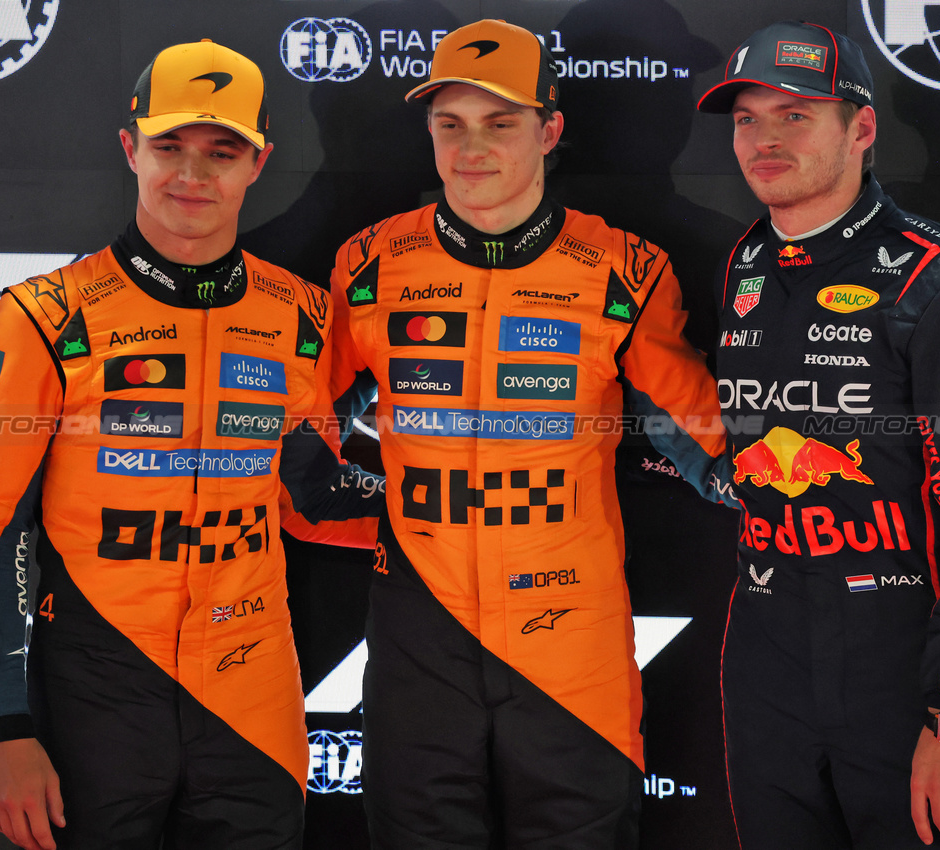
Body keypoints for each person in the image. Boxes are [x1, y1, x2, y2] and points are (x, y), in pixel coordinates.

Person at [0, 40, 382, 850]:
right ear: (131, 149)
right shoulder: (46, 315)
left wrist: (446, 512)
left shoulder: (300, 316)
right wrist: (6, 729)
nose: (192, 174)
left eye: (220, 151)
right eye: (169, 146)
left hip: (252, 685)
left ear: (258, 163)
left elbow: (310, 490)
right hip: (97, 684)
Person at [328, 19, 731, 849]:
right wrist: (364, 513)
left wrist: (798, 491)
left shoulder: (625, 267)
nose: (471, 147)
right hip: (420, 631)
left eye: (500, 122)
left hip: (569, 632)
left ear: (548, 131)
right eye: (449, 123)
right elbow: (296, 441)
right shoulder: (367, 263)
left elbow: (703, 439)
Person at [695, 20, 940, 849]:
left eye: (794, 116)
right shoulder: (745, 264)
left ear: (860, 128)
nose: (764, 140)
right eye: (747, 119)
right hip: (766, 662)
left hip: (906, 672)